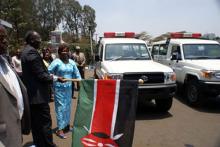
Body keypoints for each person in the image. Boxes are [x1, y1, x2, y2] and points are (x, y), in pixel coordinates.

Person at [21, 30, 64, 147]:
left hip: (33, 97)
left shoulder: (27, 52)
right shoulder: (31, 53)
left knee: (36, 125)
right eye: (38, 39)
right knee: (45, 124)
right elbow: (41, 75)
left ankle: (40, 144)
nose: (40, 41)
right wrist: (56, 78)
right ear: (31, 40)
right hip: (38, 97)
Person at [0, 25, 31, 147]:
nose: (5, 41)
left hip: (15, 131)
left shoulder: (5, 61)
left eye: (5, 37)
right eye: (1, 37)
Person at [48, 44, 81, 139]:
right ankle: (60, 129)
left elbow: (77, 74)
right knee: (61, 108)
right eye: (63, 51)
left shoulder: (71, 62)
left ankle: (66, 125)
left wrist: (80, 81)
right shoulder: (56, 62)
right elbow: (48, 72)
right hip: (59, 89)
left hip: (68, 89)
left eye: (67, 51)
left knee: (67, 107)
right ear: (59, 52)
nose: (65, 53)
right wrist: (57, 78)